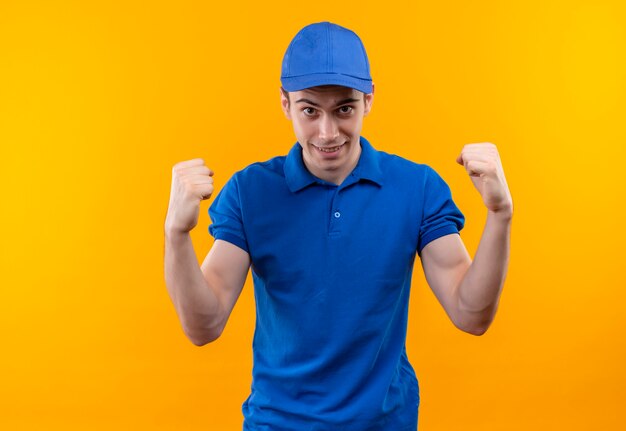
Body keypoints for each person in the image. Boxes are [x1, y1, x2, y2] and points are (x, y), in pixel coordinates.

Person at [164, 21, 513, 431]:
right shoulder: (250, 192)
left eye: (344, 108)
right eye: (309, 110)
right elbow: (204, 325)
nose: (327, 133)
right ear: (284, 103)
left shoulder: (416, 187)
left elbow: (471, 313)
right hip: (278, 423)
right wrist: (176, 236)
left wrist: (500, 215)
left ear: (368, 100)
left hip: (385, 423)